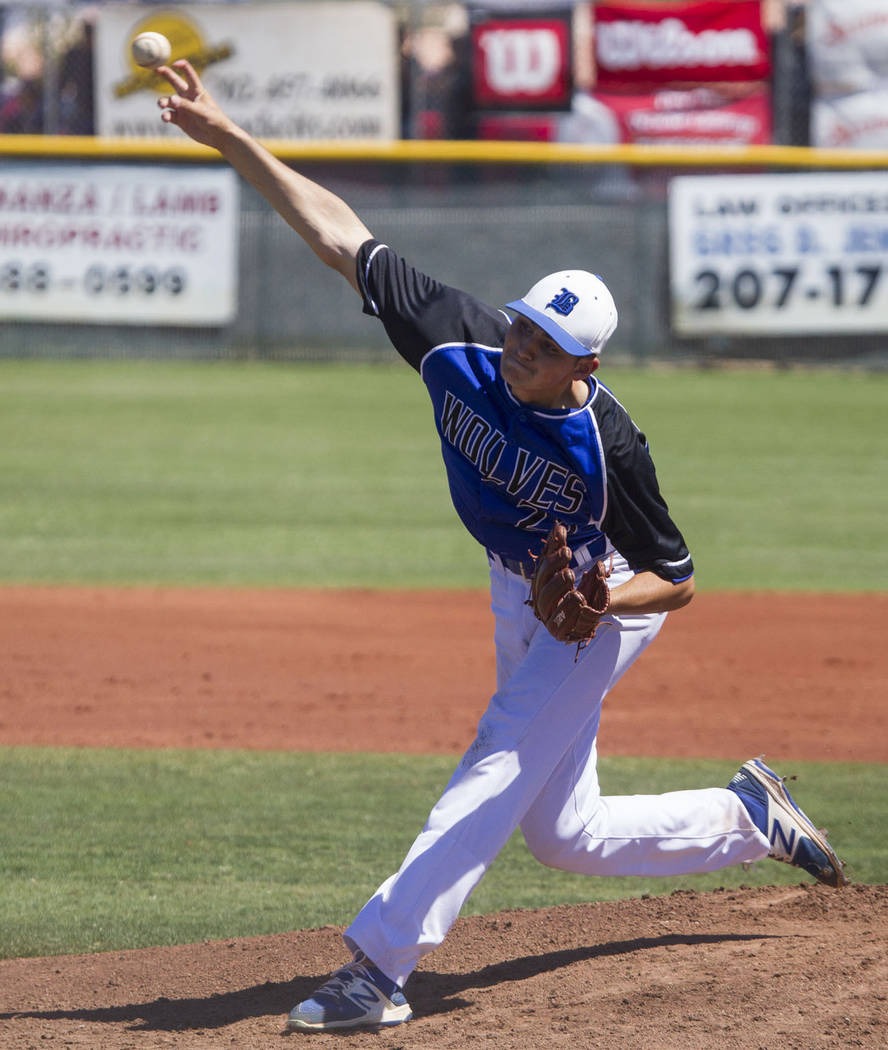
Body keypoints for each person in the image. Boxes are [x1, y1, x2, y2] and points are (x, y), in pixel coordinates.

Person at [154, 60, 848, 1033]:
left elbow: (678, 579)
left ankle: (379, 966)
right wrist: (229, 136)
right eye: (523, 327)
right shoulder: (459, 342)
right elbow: (340, 237)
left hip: (599, 598)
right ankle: (747, 816)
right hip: (518, 587)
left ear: (584, 364)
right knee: (566, 834)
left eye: (545, 345)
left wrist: (605, 605)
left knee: (499, 758)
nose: (522, 347)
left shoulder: (611, 446)